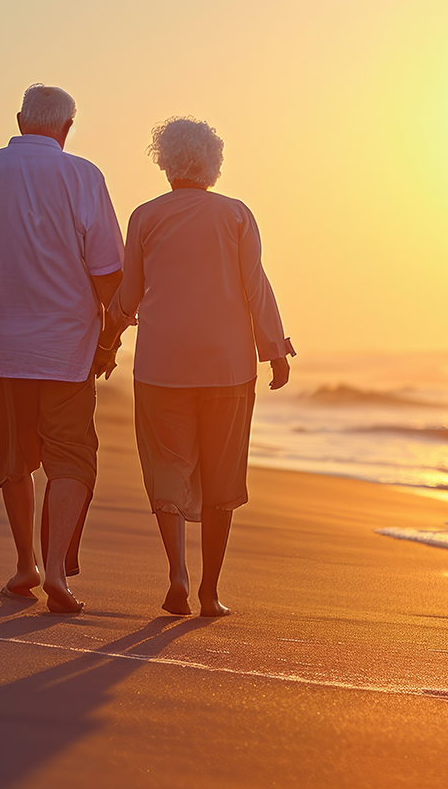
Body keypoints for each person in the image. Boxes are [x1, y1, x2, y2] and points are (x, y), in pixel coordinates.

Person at [0, 84, 124, 613]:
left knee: (15, 457)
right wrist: (111, 336)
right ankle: (56, 570)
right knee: (72, 458)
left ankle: (24, 566)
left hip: (6, 348)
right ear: (68, 127)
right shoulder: (84, 175)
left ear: (19, 120)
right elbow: (108, 272)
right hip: (70, 349)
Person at [109, 116, 294, 617]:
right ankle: (210, 592)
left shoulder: (145, 217)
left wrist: (108, 338)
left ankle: (178, 575)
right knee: (221, 474)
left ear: (164, 162)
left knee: (167, 470)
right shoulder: (236, 215)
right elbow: (254, 285)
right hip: (227, 367)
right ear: (213, 164)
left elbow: (128, 296)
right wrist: (275, 347)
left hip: (160, 365)